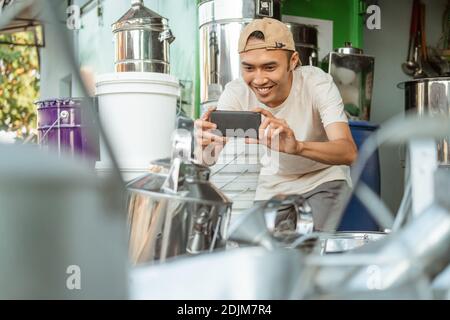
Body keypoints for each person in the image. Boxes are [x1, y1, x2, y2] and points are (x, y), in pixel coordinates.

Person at [194, 18, 357, 231]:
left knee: (310, 248)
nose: (259, 79)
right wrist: (202, 148)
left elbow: (349, 152)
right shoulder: (235, 93)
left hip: (322, 179)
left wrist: (298, 147)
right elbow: (210, 158)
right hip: (271, 186)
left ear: (293, 61)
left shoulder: (317, 84)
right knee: (260, 250)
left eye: (270, 67)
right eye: (249, 68)